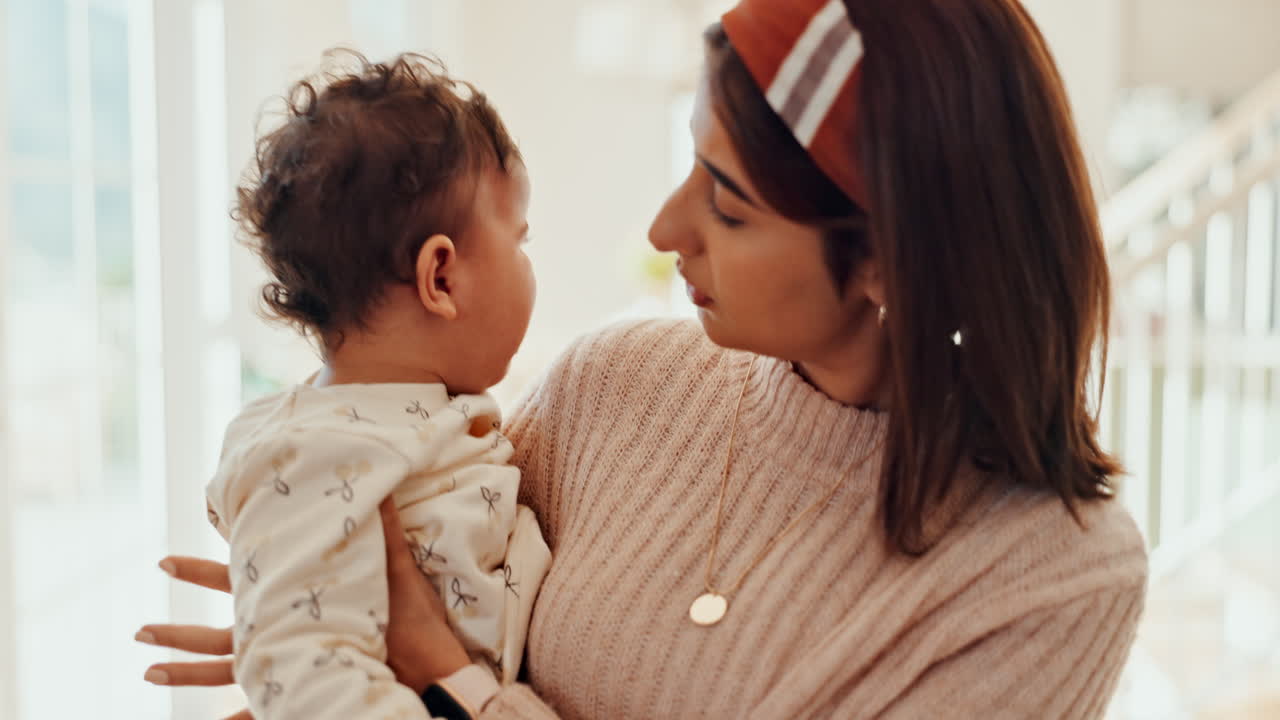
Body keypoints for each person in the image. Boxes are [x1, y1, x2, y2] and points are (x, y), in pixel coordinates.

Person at [137, 1, 1148, 718]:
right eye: (688, 164)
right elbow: (421, 571)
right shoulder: (614, 383)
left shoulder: (1047, 578)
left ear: (886, 258)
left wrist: (448, 678)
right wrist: (311, 625)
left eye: (727, 202)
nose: (665, 230)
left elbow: (432, 639)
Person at [192, 51, 551, 719]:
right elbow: (306, 677)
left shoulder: (411, 421)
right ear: (441, 278)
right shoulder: (310, 454)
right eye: (520, 239)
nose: (530, 264)